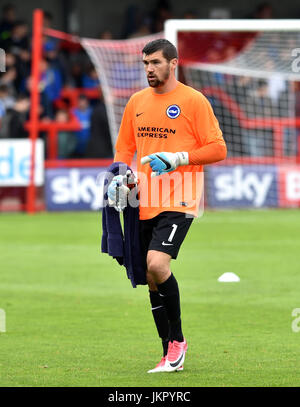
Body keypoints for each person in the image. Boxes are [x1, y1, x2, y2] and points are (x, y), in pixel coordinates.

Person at [107, 39, 227, 373]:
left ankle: (178, 342)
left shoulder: (193, 101)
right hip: (144, 199)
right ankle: (168, 352)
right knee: (150, 275)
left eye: (156, 63)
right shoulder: (136, 102)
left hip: (181, 196)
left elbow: (218, 149)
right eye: (145, 63)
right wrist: (119, 176)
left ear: (173, 64)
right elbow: (123, 149)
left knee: (158, 265)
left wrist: (178, 158)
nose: (149, 69)